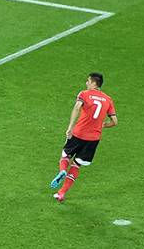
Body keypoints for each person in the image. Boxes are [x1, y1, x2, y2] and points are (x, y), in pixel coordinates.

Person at [50, 73, 119, 203]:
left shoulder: (84, 94)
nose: (86, 83)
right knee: (77, 165)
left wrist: (70, 126)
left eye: (88, 81)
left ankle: (63, 171)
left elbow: (76, 108)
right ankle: (61, 193)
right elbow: (115, 121)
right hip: (93, 138)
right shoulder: (108, 99)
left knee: (65, 156)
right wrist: (103, 124)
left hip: (79, 133)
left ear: (93, 83)